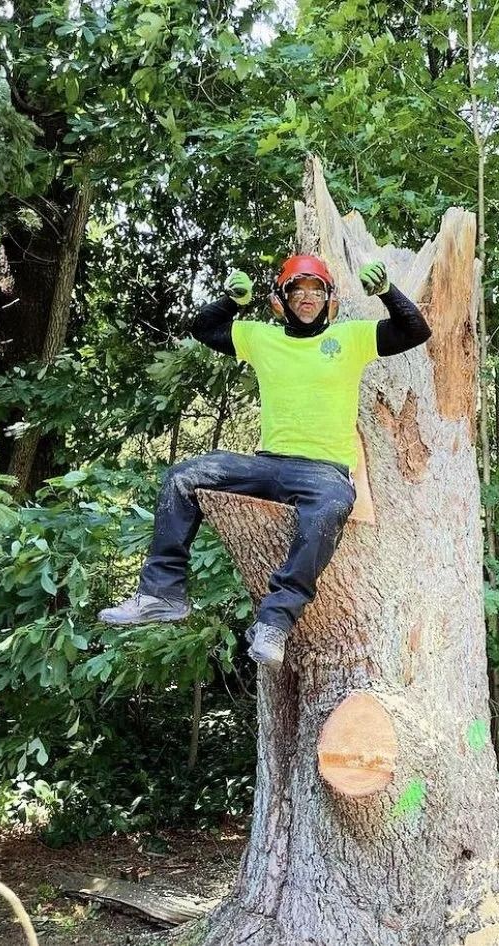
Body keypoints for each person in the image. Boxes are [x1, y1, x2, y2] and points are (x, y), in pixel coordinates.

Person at [98, 254, 431, 670]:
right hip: (267, 464)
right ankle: (162, 594)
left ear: (330, 300)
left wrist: (386, 291)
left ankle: (274, 622)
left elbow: (415, 330)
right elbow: (204, 328)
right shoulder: (261, 338)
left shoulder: (351, 338)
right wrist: (232, 301)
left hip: (323, 472)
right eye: (296, 290)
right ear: (280, 300)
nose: (306, 298)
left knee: (332, 505)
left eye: (316, 291)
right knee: (184, 477)